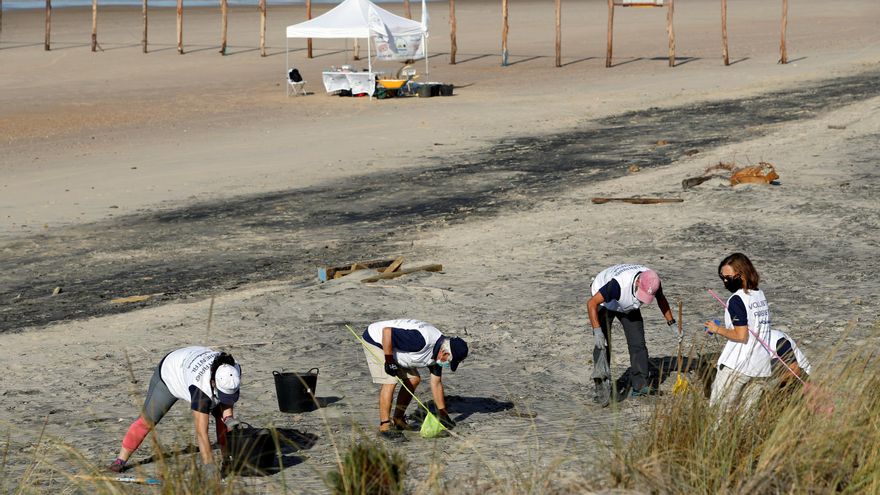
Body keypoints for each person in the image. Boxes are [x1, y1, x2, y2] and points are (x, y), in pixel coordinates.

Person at [107, 346, 242, 476]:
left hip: (191, 360)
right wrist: (209, 466)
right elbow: (201, 433)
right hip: (170, 374)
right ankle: (120, 460)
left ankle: (227, 461)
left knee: (222, 419)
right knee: (147, 420)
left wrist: (228, 418)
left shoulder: (233, 370)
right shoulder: (200, 389)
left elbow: (227, 402)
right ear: (213, 382)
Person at [361, 319, 468, 438]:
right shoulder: (421, 340)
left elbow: (436, 383)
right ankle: (384, 426)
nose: (447, 364)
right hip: (377, 339)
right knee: (390, 381)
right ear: (444, 352)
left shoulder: (439, 353)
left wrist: (443, 413)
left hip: (395, 346)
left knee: (414, 379)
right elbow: (387, 332)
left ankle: (398, 419)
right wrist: (389, 360)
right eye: (448, 361)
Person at [586, 264, 676, 397]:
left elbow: (661, 298)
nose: (643, 299)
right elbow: (591, 303)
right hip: (604, 303)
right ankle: (601, 387)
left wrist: (671, 323)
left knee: (638, 343)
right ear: (638, 282)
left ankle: (640, 385)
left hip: (627, 304)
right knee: (602, 345)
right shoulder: (617, 286)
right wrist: (597, 330)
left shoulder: (653, 280)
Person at [704, 253, 775, 412]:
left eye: (728, 277)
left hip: (738, 365)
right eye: (722, 277)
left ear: (741, 274)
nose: (725, 282)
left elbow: (741, 336)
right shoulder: (759, 295)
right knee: (747, 418)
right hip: (760, 367)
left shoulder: (736, 300)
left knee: (718, 412)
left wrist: (717, 329)